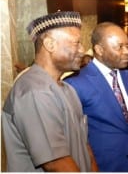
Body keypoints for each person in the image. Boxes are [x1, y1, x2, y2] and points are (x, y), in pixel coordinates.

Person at [2, 11, 98, 172]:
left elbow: (85, 148)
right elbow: (56, 164)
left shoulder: (68, 89)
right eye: (76, 43)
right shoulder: (34, 91)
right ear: (50, 44)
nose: (82, 50)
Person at [65, 22, 128, 172]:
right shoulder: (75, 84)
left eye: (127, 46)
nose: (127, 51)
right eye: (119, 47)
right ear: (99, 50)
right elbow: (73, 138)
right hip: (102, 166)